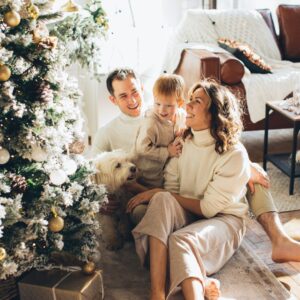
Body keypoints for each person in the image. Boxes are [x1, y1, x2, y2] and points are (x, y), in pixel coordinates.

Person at [92, 67, 300, 263]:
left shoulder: (163, 109)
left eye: (134, 91)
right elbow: (92, 176)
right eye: (123, 96)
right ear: (112, 99)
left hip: (179, 181)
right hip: (148, 191)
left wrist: (245, 163)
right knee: (144, 213)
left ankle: (279, 240)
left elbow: (211, 136)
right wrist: (99, 201)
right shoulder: (106, 133)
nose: (132, 99)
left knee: (255, 172)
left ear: (143, 89)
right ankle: (187, 247)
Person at [127, 80, 250, 300]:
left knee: (179, 240)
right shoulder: (183, 141)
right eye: (189, 100)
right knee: (162, 201)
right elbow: (172, 190)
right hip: (191, 213)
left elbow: (209, 208)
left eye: (196, 101)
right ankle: (158, 294)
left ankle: (195, 288)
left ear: (214, 112)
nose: (188, 106)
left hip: (224, 219)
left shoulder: (234, 154)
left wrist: (158, 193)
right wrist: (160, 195)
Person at [134, 74, 186, 188]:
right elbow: (141, 148)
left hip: (169, 172)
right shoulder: (151, 123)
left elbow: (186, 126)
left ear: (180, 103)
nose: (162, 109)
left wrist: (183, 132)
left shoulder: (182, 115)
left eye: (169, 105)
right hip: (149, 175)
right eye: (157, 104)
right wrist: (167, 151)